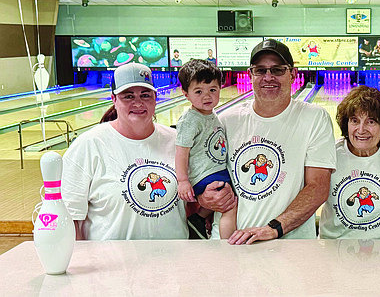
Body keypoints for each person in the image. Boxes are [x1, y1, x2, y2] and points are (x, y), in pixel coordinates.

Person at [202, 38, 336, 244]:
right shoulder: (225, 120)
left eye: (277, 70)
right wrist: (205, 198)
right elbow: (204, 177)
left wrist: (274, 229)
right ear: (250, 75)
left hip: (290, 245)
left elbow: (318, 188)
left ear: (293, 74)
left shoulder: (315, 118)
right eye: (260, 70)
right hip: (229, 243)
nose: (268, 77)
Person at [60, 63, 205, 240]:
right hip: (111, 264)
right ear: (114, 99)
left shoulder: (179, 142)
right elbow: (69, 217)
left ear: (155, 97)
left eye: (145, 95)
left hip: (172, 260)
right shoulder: (89, 145)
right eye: (128, 96)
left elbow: (191, 205)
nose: (138, 103)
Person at [319, 85, 380, 239]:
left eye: (371, 122)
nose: (361, 130)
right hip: (334, 249)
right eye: (354, 121)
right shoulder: (329, 154)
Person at [175, 59, 236, 240]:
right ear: (185, 93)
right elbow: (181, 152)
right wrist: (183, 181)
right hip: (203, 174)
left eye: (212, 90)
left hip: (214, 170)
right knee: (231, 204)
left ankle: (199, 218)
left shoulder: (211, 115)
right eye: (199, 91)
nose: (207, 96)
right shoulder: (189, 120)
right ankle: (227, 246)